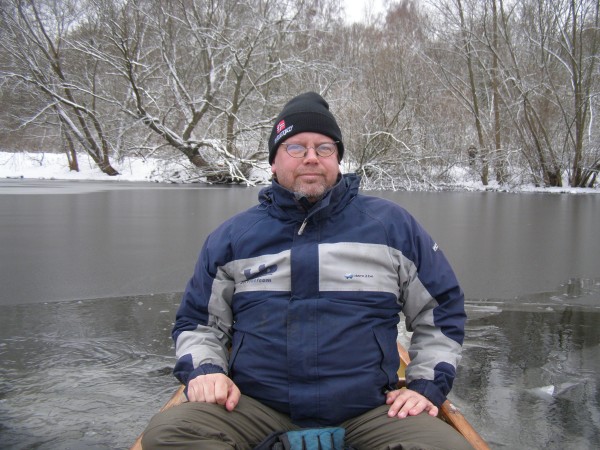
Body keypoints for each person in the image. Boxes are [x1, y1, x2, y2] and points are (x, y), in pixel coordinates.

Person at [142, 92, 473, 450]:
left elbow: (439, 311)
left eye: (324, 148)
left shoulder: (392, 227)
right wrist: (206, 371)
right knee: (169, 434)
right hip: (253, 405)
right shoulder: (233, 238)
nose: (311, 158)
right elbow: (199, 323)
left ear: (338, 159)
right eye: (296, 148)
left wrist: (426, 385)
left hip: (370, 410)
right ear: (273, 161)